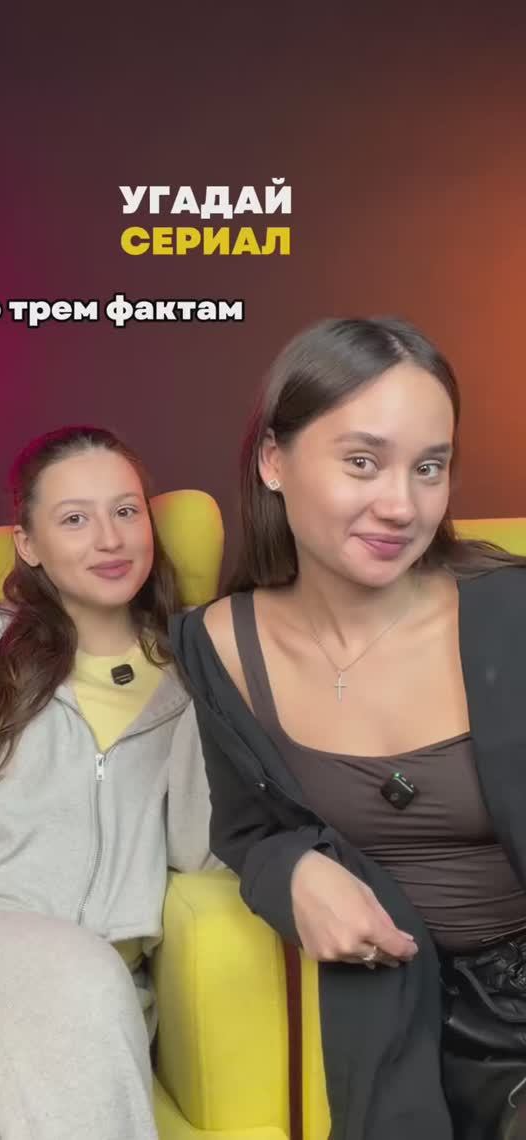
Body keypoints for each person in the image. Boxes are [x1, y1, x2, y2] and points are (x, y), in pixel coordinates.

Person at [171, 317, 526, 1140]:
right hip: (401, 1018)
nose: (401, 506)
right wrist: (292, 869)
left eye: (429, 467)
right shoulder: (219, 645)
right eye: (362, 462)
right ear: (273, 461)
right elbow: (248, 828)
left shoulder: (510, 611)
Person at [0, 425, 215, 1140]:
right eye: (74, 519)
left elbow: (199, 847)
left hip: (79, 990)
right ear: (28, 544)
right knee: (80, 977)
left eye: (125, 511)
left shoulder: (201, 665)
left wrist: (228, 684)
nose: (110, 538)